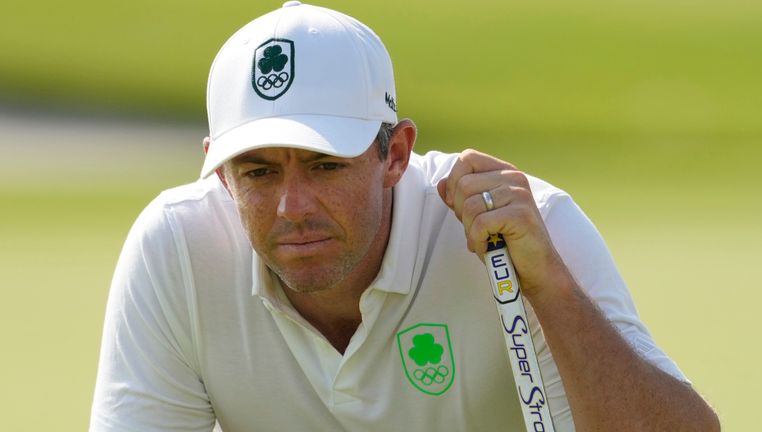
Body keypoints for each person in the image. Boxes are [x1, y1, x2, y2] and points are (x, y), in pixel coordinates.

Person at [90, 2, 719, 431]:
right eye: (258, 171)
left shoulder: (525, 230)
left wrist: (551, 290)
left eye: (325, 165)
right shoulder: (175, 245)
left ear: (396, 153)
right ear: (219, 173)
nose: (293, 206)